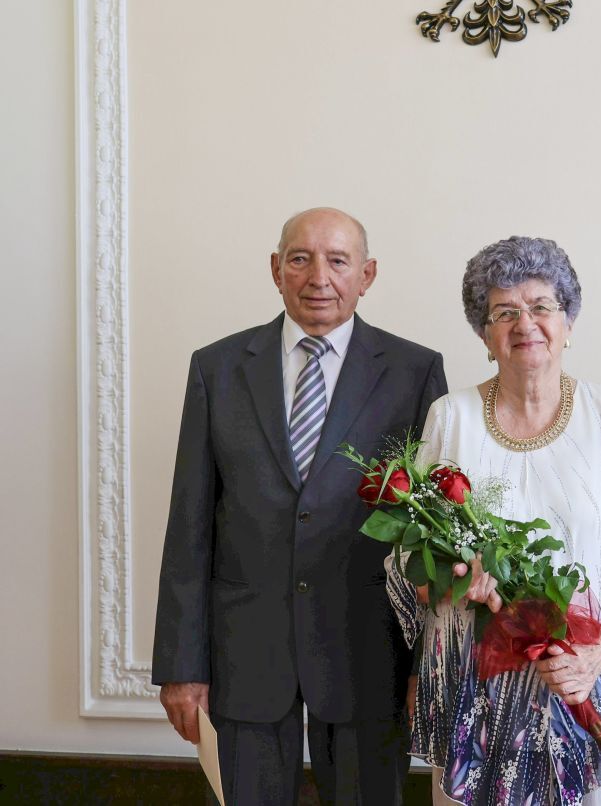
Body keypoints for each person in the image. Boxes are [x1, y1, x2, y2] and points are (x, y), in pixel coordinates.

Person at [152, 207, 447, 805]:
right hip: (246, 654)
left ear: (366, 275)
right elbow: (189, 526)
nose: (319, 277)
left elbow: (431, 537)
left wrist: (428, 665)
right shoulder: (217, 368)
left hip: (369, 653)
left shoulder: (414, 372)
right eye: (300, 259)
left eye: (338, 261)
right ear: (275, 269)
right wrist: (181, 665)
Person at [386, 236, 601, 806]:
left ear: (568, 322)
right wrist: (457, 577)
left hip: (590, 689)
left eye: (542, 306)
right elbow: (409, 561)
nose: (525, 323)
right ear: (484, 335)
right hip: (478, 699)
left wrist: (596, 657)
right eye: (504, 312)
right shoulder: (450, 418)